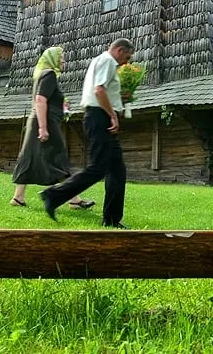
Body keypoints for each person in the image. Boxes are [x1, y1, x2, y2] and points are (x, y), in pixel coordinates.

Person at [41, 38, 134, 228]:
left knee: (117, 171)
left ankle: (111, 219)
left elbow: (103, 90)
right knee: (98, 168)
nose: (127, 61)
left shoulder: (99, 61)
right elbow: (99, 91)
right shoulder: (108, 61)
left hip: (99, 115)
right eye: (127, 56)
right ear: (119, 50)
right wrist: (113, 115)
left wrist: (119, 100)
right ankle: (53, 195)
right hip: (100, 117)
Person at [9, 46, 94, 210]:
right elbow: (40, 100)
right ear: (52, 59)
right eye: (61, 58)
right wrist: (43, 128)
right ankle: (74, 199)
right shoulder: (49, 75)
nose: (63, 62)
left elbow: (45, 99)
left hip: (40, 122)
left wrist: (61, 105)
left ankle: (18, 198)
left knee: (30, 158)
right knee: (58, 159)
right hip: (45, 123)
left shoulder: (42, 75)